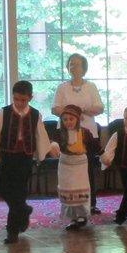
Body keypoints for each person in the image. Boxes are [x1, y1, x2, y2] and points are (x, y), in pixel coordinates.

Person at [0, 81, 52, 244]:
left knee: (19, 192)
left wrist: (44, 152)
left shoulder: (35, 115)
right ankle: (24, 210)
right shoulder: (3, 113)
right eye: (16, 99)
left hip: (25, 158)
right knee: (4, 189)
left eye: (23, 100)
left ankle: (12, 232)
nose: (19, 103)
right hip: (7, 157)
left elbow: (40, 134)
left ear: (30, 98)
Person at [52, 53, 104, 215]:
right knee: (70, 170)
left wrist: (82, 112)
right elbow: (55, 108)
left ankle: (91, 203)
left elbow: (99, 107)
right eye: (71, 64)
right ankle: (71, 204)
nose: (74, 67)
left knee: (87, 168)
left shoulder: (91, 87)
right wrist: (71, 114)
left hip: (87, 132)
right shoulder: (62, 87)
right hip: (67, 133)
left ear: (84, 68)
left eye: (77, 64)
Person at [50, 105, 98, 230]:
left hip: (80, 165)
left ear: (77, 119)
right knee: (68, 190)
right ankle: (72, 218)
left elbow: (95, 146)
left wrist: (104, 155)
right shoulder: (59, 133)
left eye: (71, 119)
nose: (68, 122)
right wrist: (53, 145)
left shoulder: (85, 132)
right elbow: (53, 142)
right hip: (65, 165)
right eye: (65, 119)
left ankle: (82, 216)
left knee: (80, 189)